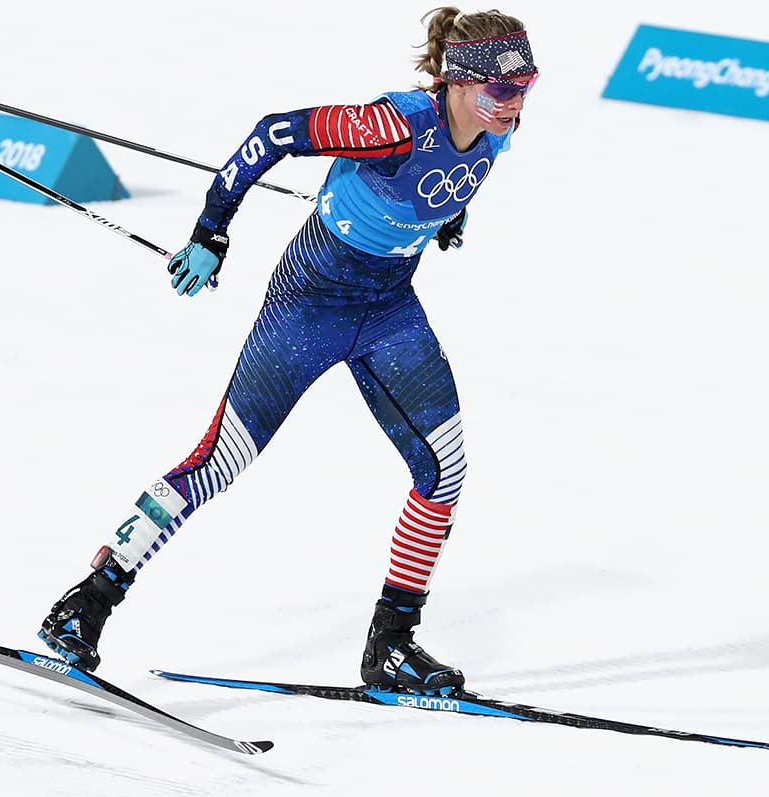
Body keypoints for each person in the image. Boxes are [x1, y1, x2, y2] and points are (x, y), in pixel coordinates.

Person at [39, 6, 538, 696]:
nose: (515, 106)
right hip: (308, 307)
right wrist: (211, 233)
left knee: (443, 470)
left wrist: (449, 215)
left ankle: (390, 646)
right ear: (457, 81)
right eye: (502, 92)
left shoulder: (497, 127)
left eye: (526, 89)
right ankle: (85, 603)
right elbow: (273, 133)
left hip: (389, 308)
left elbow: (460, 173)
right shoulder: (392, 124)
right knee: (219, 463)